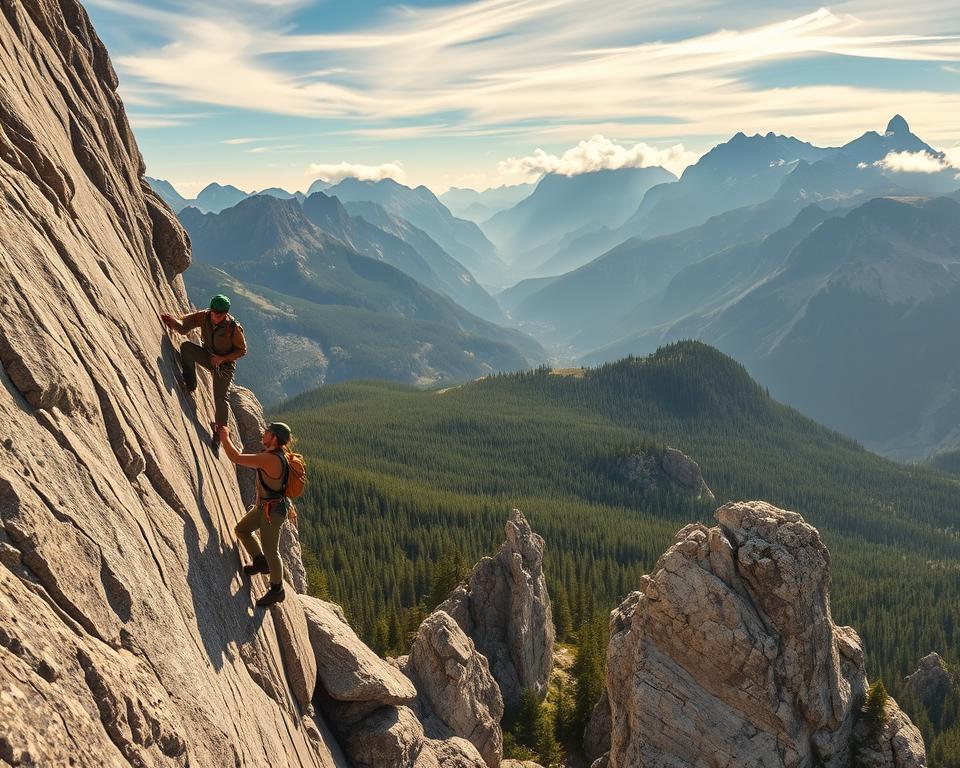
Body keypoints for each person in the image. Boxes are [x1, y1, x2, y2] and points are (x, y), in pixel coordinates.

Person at [218, 421, 297, 607]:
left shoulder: (270, 459)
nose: (264, 432)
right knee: (242, 530)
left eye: (267, 432)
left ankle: (277, 590)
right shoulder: (274, 455)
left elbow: (236, 457)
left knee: (271, 551)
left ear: (274, 438)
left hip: (273, 512)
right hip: (264, 508)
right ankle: (260, 562)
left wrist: (225, 437)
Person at [160, 295, 246, 454]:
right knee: (186, 348)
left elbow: (241, 350)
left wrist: (222, 358)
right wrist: (173, 322)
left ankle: (219, 434)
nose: (216, 316)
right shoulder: (204, 316)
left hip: (224, 366)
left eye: (220, 314)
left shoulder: (233, 328)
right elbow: (185, 326)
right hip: (209, 356)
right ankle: (190, 383)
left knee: (220, 398)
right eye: (214, 312)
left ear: (226, 313)